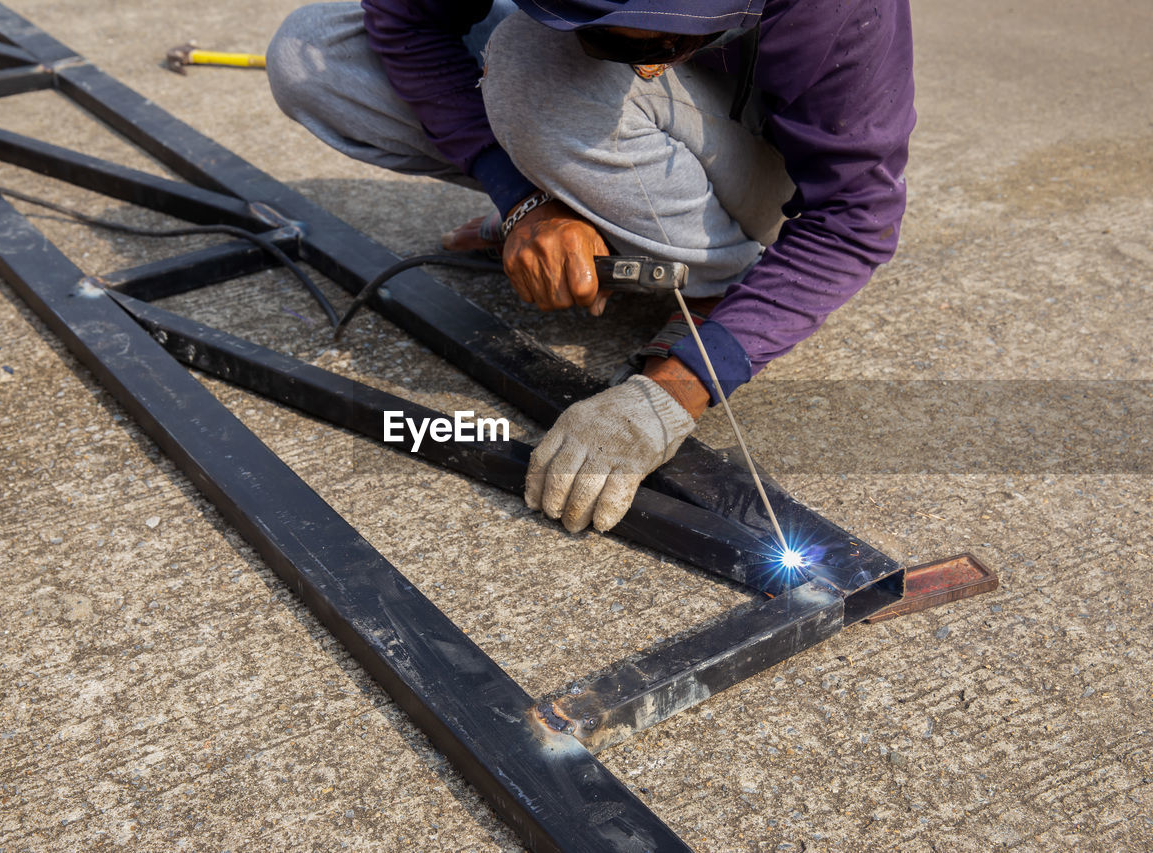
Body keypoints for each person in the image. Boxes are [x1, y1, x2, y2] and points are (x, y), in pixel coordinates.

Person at [267, 0, 915, 534]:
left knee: (542, 72)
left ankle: (719, 277)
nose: (652, 71)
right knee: (313, 53)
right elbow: (403, 22)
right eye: (616, 43)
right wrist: (523, 203)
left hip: (755, 164)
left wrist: (673, 392)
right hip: (585, 102)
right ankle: (591, 203)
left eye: (677, 42)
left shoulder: (843, 9)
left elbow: (855, 215)